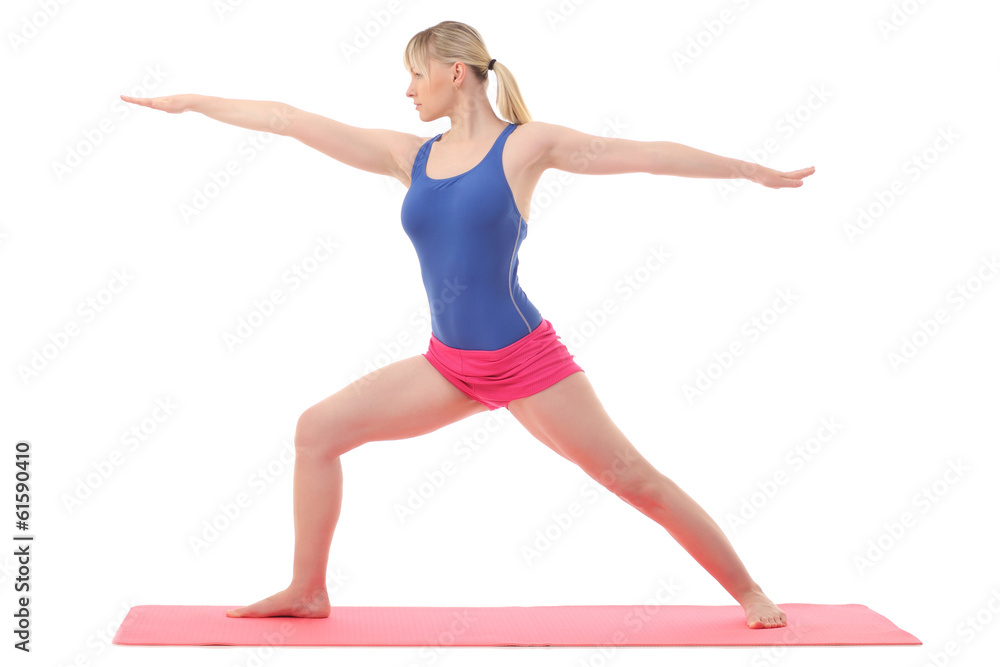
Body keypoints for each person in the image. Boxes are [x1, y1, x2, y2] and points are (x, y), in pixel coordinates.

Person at [122, 19, 813, 630]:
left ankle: (748, 589)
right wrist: (192, 104)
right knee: (316, 430)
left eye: (414, 75)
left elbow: (648, 154)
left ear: (456, 73)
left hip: (526, 361)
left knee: (635, 481)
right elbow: (289, 117)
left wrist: (756, 172)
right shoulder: (409, 156)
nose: (407, 91)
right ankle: (307, 589)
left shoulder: (526, 147)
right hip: (448, 365)